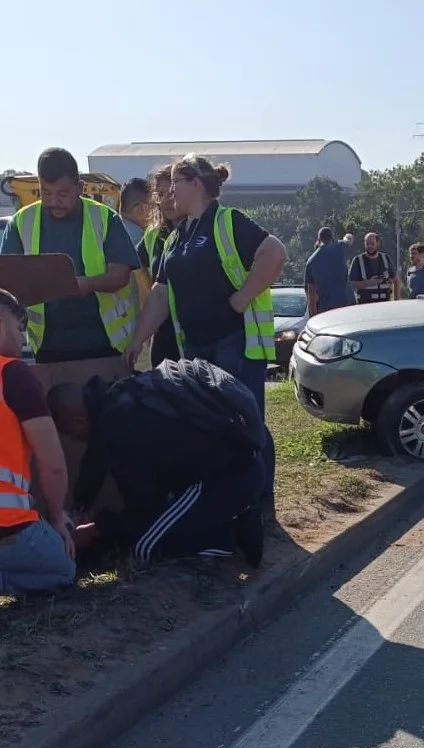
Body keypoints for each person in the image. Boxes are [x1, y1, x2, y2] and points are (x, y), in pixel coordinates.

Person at [123, 153, 287, 518]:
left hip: (235, 343)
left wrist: (242, 298)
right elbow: (162, 294)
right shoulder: (177, 236)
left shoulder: (228, 221)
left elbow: (274, 253)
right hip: (196, 350)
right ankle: (229, 501)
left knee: (246, 423)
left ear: (195, 184)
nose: (168, 195)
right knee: (214, 427)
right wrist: (138, 340)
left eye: (175, 185)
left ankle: (260, 503)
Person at [47, 359, 266, 567]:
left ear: (79, 421)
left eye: (68, 433)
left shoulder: (119, 433)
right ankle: (231, 513)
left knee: (146, 545)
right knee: (159, 524)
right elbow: (95, 458)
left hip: (226, 478)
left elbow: (144, 509)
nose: (71, 439)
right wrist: (81, 505)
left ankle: (234, 534)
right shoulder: (116, 396)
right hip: (237, 463)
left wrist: (99, 528)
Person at [0, 148, 142, 364]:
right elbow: (6, 282)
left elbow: (120, 275)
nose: (53, 201)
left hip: (106, 345)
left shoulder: (105, 218)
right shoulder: (21, 223)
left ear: (80, 188)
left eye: (62, 194)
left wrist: (85, 284)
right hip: (48, 348)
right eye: (46, 193)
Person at [0, 287, 76, 594]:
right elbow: (53, 464)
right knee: (65, 567)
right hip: (9, 531)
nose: (21, 339)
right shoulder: (13, 374)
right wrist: (57, 518)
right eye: (19, 329)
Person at [135, 165, 184, 366]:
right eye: (160, 194)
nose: (165, 201)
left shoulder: (202, 230)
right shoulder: (153, 235)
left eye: (171, 193)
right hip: (163, 331)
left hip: (197, 331)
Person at [304, 226, 356, 316]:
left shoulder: (311, 261)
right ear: (332, 237)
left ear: (319, 239)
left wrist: (313, 317)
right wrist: (345, 237)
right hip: (347, 303)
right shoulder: (339, 246)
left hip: (326, 308)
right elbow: (349, 239)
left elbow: (310, 293)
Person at [349, 233, 402, 304]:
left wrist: (396, 302)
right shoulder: (358, 261)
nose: (370, 246)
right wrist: (368, 283)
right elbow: (350, 284)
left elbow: (396, 280)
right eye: (367, 244)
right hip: (365, 305)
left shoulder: (385, 259)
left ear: (378, 243)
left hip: (384, 305)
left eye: (372, 244)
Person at [119, 177, 153, 246]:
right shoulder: (139, 240)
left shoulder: (111, 229)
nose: (158, 212)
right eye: (154, 206)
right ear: (141, 209)